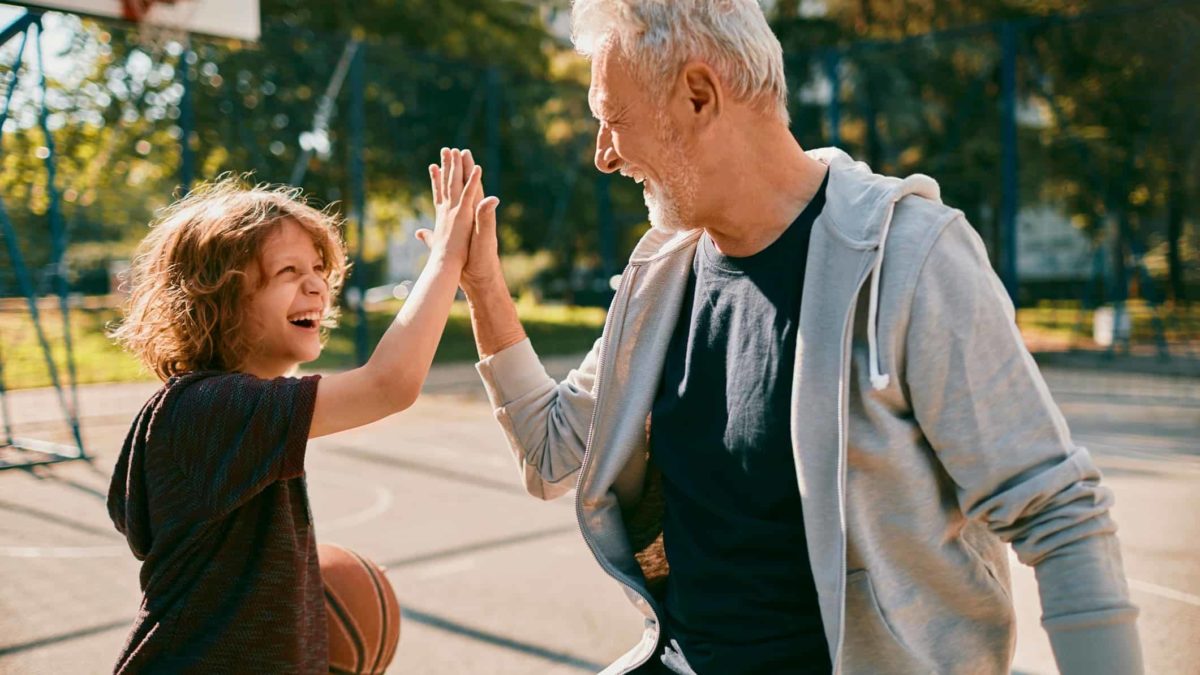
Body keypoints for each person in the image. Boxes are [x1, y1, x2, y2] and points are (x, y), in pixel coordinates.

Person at [442, 1, 1143, 673]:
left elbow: (1061, 516)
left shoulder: (910, 258)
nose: (603, 153)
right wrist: (482, 285)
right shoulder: (662, 274)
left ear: (697, 95)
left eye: (612, 119)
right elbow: (552, 452)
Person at [105, 149, 496, 672]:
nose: (315, 284)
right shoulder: (207, 410)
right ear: (216, 296)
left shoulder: (225, 416)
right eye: (288, 271)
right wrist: (447, 257)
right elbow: (389, 384)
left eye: (318, 269)